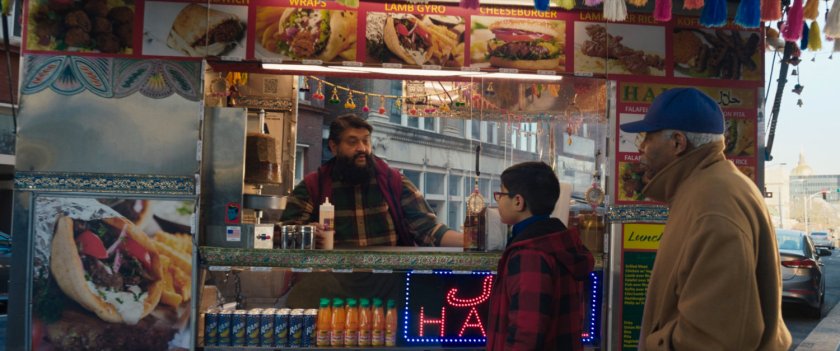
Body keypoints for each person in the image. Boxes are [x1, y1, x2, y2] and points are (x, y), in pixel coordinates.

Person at [619, 87, 791, 350]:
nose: (641, 147)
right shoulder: (709, 186)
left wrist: (655, 343)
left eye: (646, 137)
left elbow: (715, 338)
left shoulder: (712, 203)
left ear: (677, 142)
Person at [281, 114, 462, 247]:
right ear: (334, 147)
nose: (362, 148)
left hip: (389, 285)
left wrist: (471, 241)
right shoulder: (314, 186)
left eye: (366, 141)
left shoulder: (394, 181)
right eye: (352, 142)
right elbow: (281, 234)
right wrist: (309, 234)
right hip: (332, 286)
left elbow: (429, 230)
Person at [485, 161, 594, 351]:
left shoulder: (530, 254)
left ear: (518, 201)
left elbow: (526, 333)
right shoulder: (557, 243)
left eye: (501, 194)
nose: (498, 200)